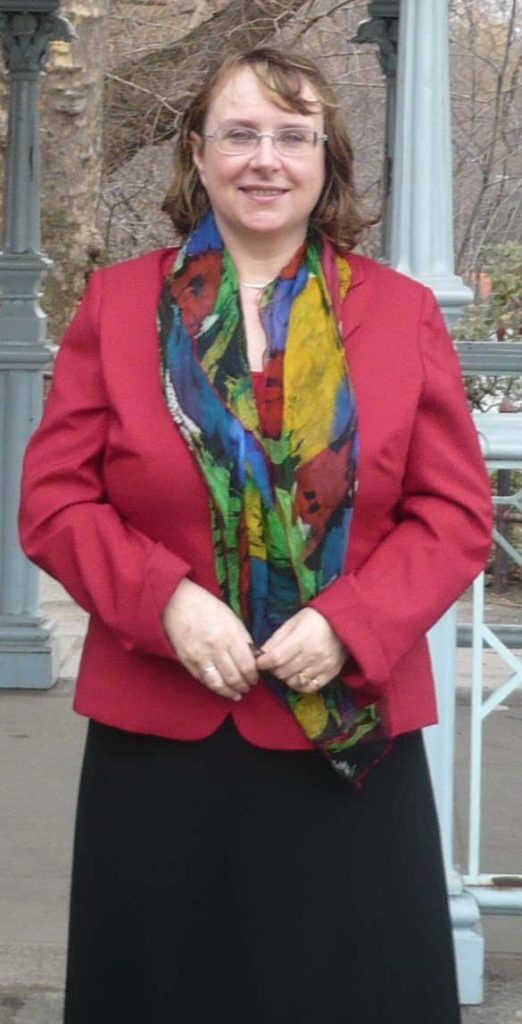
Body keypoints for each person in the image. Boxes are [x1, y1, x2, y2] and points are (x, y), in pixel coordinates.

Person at [19, 46, 492, 1024]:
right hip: (162, 734)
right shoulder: (118, 305)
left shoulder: (399, 313)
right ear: (197, 154)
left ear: (327, 159)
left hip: (345, 736)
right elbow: (55, 500)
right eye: (239, 133)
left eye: (292, 136)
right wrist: (165, 602)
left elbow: (454, 515)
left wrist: (352, 622)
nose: (265, 158)